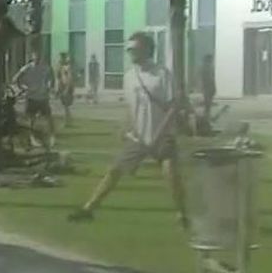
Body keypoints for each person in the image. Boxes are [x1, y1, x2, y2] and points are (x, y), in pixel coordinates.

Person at [68, 32, 188, 228]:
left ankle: (182, 214)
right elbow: (131, 107)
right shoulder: (130, 77)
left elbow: (174, 106)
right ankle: (88, 209)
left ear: (147, 49)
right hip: (138, 137)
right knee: (114, 171)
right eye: (129, 49)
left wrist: (160, 134)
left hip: (162, 136)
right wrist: (125, 128)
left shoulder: (162, 74)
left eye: (135, 49)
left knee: (171, 174)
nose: (131, 52)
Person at [13, 52, 55, 147]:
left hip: (43, 97)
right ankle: (32, 139)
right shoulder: (27, 68)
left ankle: (52, 137)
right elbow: (15, 79)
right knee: (31, 120)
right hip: (31, 97)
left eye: (38, 57)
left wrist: (49, 87)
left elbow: (52, 77)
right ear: (32, 58)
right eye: (35, 57)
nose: (37, 59)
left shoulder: (45, 67)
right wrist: (23, 87)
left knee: (48, 118)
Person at [56, 53, 75, 126]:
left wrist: (67, 88)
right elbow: (59, 78)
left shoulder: (67, 68)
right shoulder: (62, 68)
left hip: (67, 87)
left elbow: (69, 79)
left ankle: (67, 121)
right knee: (65, 105)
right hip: (63, 86)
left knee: (66, 105)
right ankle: (68, 120)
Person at [199, 54, 216, 122]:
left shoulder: (209, 67)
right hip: (207, 86)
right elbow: (210, 78)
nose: (212, 61)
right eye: (211, 60)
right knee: (207, 102)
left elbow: (212, 78)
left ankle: (207, 115)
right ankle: (206, 116)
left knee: (208, 102)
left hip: (209, 86)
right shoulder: (206, 67)